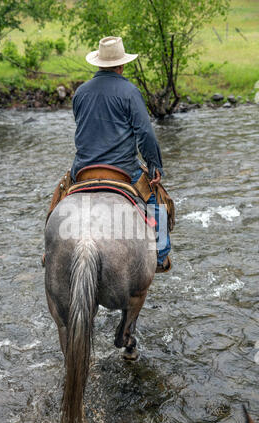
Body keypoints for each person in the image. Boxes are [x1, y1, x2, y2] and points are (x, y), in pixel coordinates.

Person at [71, 36, 171, 272]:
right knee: (157, 205)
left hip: (83, 169)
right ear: (122, 64)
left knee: (58, 200)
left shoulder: (80, 92)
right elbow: (145, 133)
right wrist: (154, 165)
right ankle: (160, 255)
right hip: (123, 169)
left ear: (98, 63)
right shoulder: (129, 92)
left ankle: (48, 251)